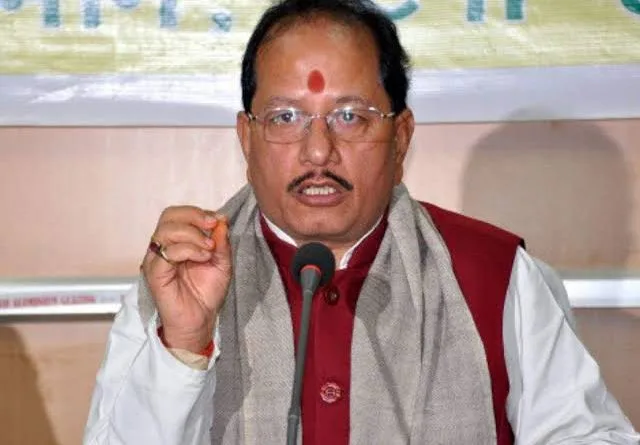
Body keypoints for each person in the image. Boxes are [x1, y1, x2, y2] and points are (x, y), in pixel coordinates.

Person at [83, 1, 640, 444]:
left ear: (401, 138)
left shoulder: (491, 275)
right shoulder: (181, 277)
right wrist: (184, 345)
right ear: (246, 138)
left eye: (350, 116)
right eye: (285, 117)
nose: (317, 151)